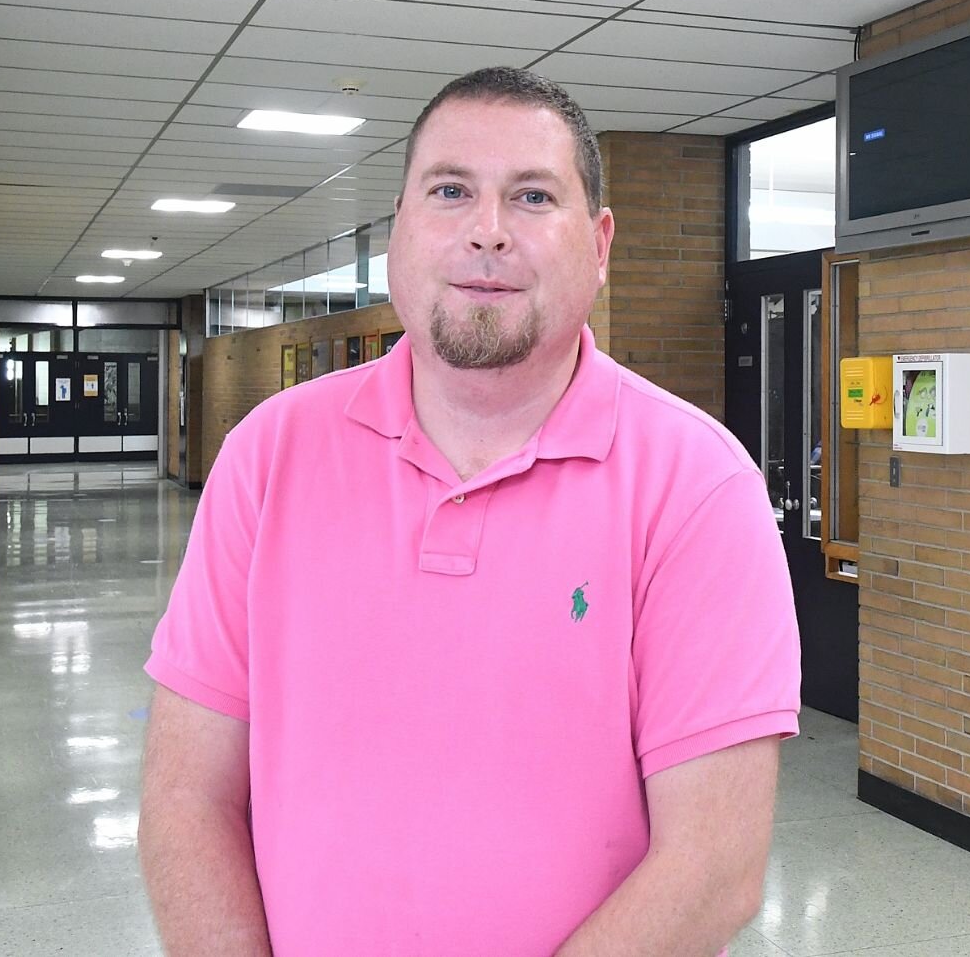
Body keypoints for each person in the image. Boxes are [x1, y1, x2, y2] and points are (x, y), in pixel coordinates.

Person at [138, 67, 801, 956]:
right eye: (450, 191)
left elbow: (713, 866)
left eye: (532, 196)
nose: (487, 232)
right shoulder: (269, 454)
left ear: (598, 245)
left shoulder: (697, 486)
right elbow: (187, 797)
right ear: (396, 236)